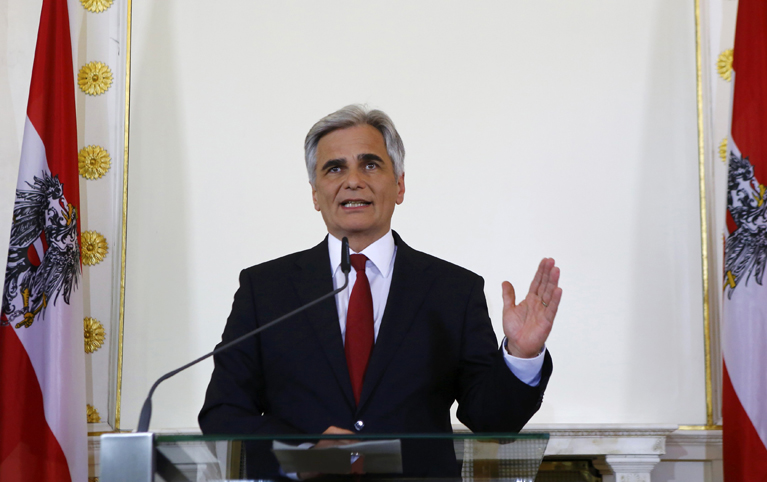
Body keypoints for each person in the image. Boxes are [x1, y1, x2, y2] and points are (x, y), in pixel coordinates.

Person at [199, 105, 562, 477]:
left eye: (370, 164)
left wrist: (521, 354)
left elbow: (492, 421)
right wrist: (306, 452)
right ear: (314, 193)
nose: (353, 181)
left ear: (399, 185)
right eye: (335, 168)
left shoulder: (453, 290)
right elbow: (223, 413)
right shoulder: (266, 289)